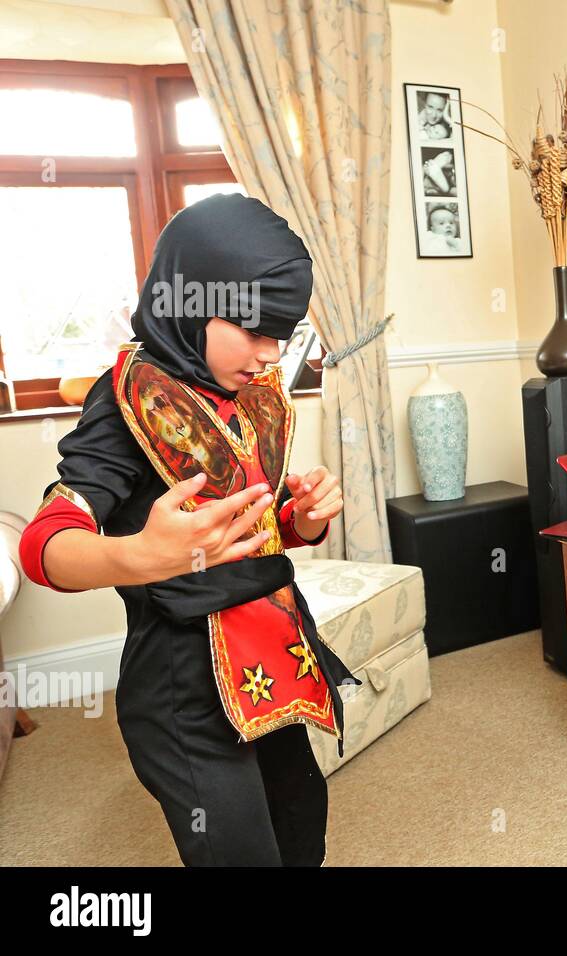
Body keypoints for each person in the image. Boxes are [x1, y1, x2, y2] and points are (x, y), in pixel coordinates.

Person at [18, 194, 358, 866]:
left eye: (280, 337)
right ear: (189, 300)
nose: (267, 356)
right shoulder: (127, 400)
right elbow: (45, 543)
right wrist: (141, 554)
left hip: (272, 661)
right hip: (182, 691)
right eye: (253, 331)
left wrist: (299, 521)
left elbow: (243, 531)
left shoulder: (249, 396)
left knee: (301, 834)